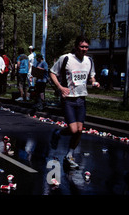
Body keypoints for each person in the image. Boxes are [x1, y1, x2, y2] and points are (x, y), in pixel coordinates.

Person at [49, 35, 100, 170]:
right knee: (73, 129)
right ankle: (58, 133)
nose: (84, 49)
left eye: (86, 47)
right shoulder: (66, 58)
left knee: (79, 130)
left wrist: (94, 82)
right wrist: (60, 87)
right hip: (68, 99)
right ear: (76, 46)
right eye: (82, 46)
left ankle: (69, 155)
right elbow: (52, 73)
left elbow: (91, 76)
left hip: (81, 98)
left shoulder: (89, 60)